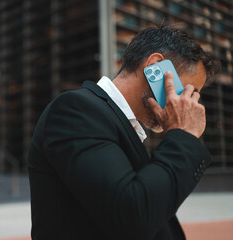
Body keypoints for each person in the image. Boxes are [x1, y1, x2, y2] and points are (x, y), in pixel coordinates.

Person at [27, 26, 219, 240]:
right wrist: (183, 134)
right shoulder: (76, 109)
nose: (191, 103)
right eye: (190, 91)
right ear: (155, 67)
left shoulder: (121, 124)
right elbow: (132, 214)